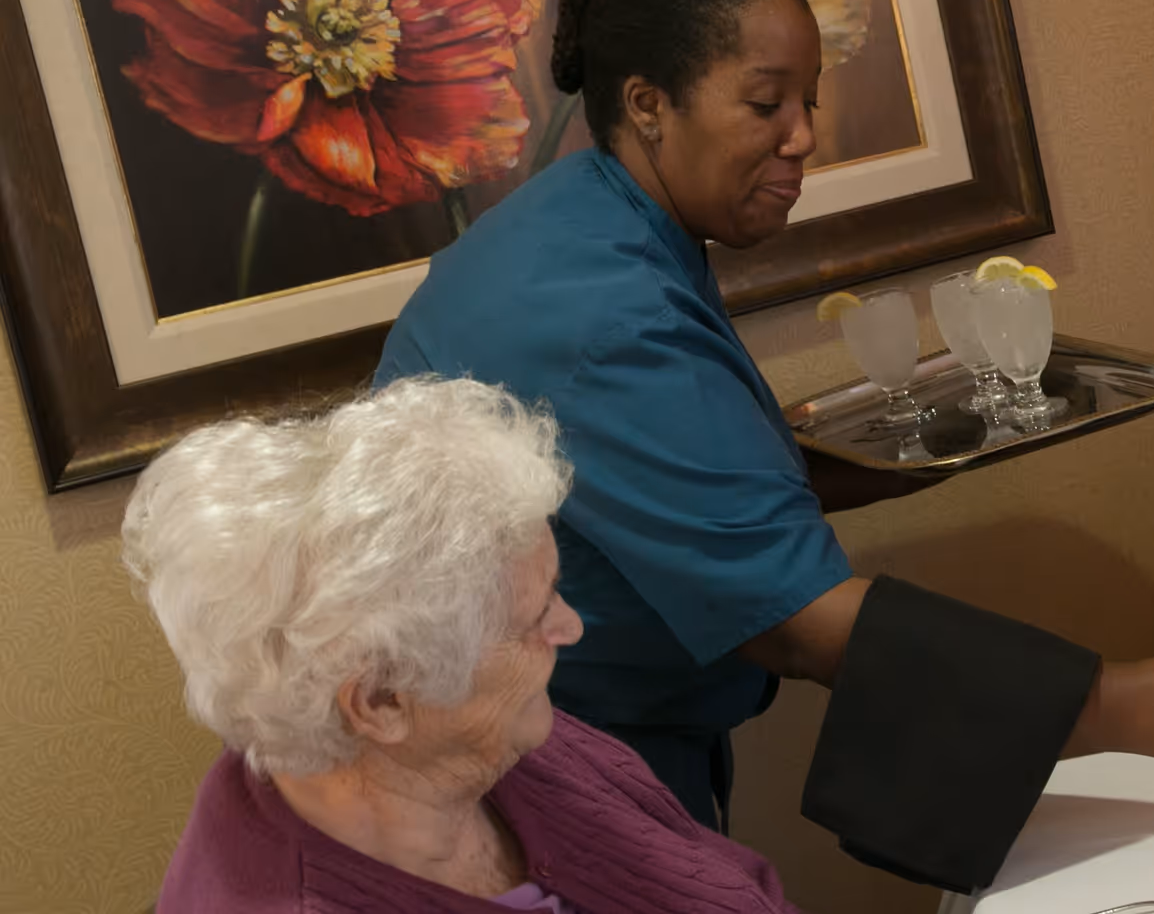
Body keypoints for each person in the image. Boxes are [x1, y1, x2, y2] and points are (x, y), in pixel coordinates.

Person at [376, 0, 1154, 892]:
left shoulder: (583, 224)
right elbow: (800, 622)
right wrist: (1134, 703)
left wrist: (917, 444)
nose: (801, 139)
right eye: (764, 103)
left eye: (808, 103)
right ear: (648, 101)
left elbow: (688, 479)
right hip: (516, 787)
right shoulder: (595, 310)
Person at [125, 377, 802, 913]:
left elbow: (736, 887)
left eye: (553, 591)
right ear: (383, 700)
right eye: (531, 618)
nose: (568, 628)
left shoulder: (506, 743)